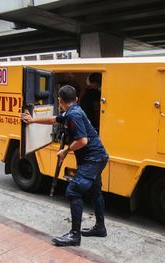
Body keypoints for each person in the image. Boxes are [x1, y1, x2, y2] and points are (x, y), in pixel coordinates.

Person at [21, 85, 109, 247]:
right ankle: (100, 228)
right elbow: (54, 119)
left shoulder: (73, 115)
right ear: (75, 99)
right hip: (98, 157)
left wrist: (65, 151)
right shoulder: (72, 111)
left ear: (60, 100)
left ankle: (75, 236)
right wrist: (32, 120)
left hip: (93, 159)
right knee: (95, 192)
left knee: (73, 191)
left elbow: (83, 141)